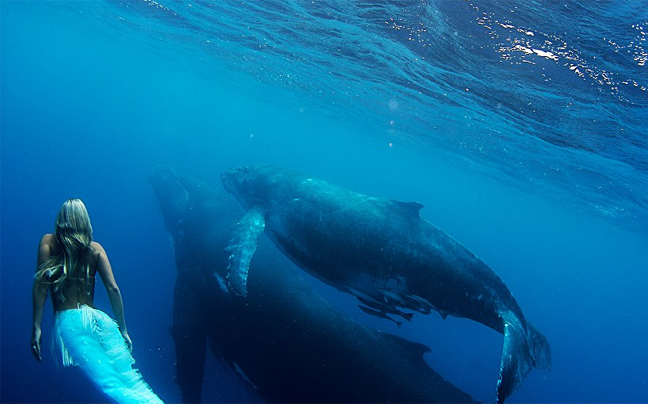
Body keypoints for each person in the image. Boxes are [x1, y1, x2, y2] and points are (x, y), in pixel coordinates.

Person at [31, 198, 164, 404]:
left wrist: (37, 326)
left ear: (61, 218)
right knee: (131, 380)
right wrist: (124, 329)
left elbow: (41, 286)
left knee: (109, 383)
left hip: (71, 321)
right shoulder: (96, 248)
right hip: (100, 320)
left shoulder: (48, 242)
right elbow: (114, 289)